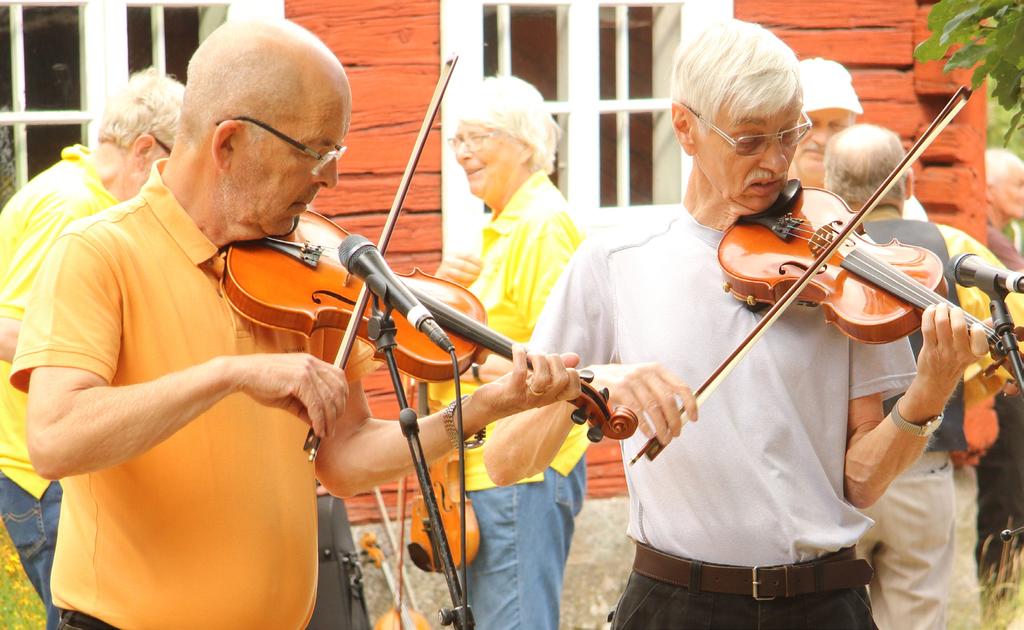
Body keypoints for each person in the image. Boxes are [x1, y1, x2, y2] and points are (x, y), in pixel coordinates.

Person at [10, 19, 581, 630]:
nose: (331, 177)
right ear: (228, 144)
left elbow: (345, 455)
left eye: (338, 153)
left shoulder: (303, 269)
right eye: (315, 151)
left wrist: (485, 406)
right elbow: (54, 439)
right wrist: (228, 375)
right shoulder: (98, 251)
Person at [485, 19, 988, 628]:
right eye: (750, 141)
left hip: (823, 603)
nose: (777, 162)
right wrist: (589, 380)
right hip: (675, 602)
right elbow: (507, 461)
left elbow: (861, 483)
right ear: (684, 128)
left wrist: (929, 391)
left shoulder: (841, 262)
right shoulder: (614, 263)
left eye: (789, 135)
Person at [0, 67, 183, 630]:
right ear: (145, 149)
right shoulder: (73, 209)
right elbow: (8, 328)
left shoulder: (73, 187)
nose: (176, 185)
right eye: (176, 164)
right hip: (40, 470)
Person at [825, 123, 1015, 630]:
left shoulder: (814, 260)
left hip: (837, 479)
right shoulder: (947, 244)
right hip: (923, 470)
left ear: (830, 186)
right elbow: (1013, 326)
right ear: (906, 183)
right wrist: (973, 387)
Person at [429, 75, 586, 630]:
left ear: (523, 142)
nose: (462, 152)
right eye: (457, 139)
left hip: (521, 469)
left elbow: (563, 368)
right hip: (483, 470)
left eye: (477, 137)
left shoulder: (541, 226)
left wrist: (463, 357)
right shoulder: (501, 225)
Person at [790, 57, 929, 221]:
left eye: (836, 126)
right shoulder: (764, 197)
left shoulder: (901, 209)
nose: (821, 139)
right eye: (810, 124)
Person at [975, 148, 1024, 590]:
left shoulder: (1005, 236)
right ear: (987, 189)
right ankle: (999, 592)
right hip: (999, 387)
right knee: (1005, 495)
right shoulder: (985, 240)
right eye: (1018, 185)